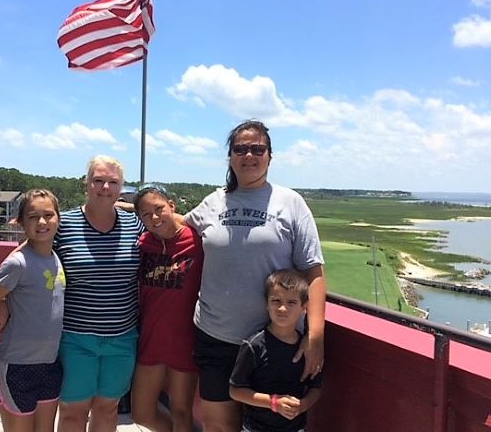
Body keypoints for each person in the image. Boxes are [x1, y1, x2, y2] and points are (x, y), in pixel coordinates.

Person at [183, 119, 326, 432]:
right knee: (218, 427)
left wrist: (315, 336)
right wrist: (120, 206)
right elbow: (176, 226)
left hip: (275, 343)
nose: (249, 155)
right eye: (241, 149)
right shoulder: (214, 200)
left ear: (270, 156)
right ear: (230, 157)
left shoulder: (291, 202)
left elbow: (313, 270)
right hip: (216, 336)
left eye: (257, 148)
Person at [55, 155, 144, 432]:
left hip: (122, 338)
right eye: (98, 180)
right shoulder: (64, 224)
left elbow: (171, 223)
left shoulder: (134, 225)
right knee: (73, 411)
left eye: (113, 182)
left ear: (121, 188)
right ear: (86, 184)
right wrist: (2, 298)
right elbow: (29, 255)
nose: (105, 187)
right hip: (75, 338)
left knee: (108, 408)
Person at [0, 189, 65, 432]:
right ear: (21, 222)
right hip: (16, 366)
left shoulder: (56, 257)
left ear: (58, 219)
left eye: (48, 215)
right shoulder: (17, 262)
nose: (42, 222)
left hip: (50, 364)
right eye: (33, 217)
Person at [130, 185, 203, 432]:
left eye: (159, 209)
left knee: (181, 413)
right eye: (146, 214)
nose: (154, 218)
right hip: (150, 340)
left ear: (172, 205)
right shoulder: (143, 243)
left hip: (185, 341)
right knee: (141, 413)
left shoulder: (197, 241)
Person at [229, 269, 322, 432]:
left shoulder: (307, 350)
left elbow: (315, 387)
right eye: (276, 301)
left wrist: (303, 405)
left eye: (291, 302)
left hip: (295, 428)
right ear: (266, 304)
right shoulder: (254, 346)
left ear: (304, 307)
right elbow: (235, 390)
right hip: (255, 428)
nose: (282, 309)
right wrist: (273, 403)